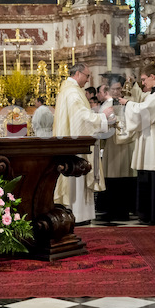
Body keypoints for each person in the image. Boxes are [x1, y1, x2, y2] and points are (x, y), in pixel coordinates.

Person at [53, 63, 115, 224]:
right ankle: (78, 215)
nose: (88, 80)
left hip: (72, 144)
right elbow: (81, 117)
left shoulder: (68, 90)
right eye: (87, 76)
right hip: (76, 147)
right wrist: (102, 116)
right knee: (77, 179)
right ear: (79, 73)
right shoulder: (73, 92)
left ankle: (78, 214)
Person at [118, 64, 155, 225]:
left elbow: (145, 111)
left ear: (152, 77)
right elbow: (143, 103)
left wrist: (127, 104)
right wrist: (132, 88)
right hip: (150, 141)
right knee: (148, 177)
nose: (143, 83)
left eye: (144, 80)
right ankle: (148, 214)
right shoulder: (154, 94)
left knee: (153, 177)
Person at [101, 76, 137, 221]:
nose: (116, 92)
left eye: (118, 88)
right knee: (113, 178)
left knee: (126, 178)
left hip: (127, 145)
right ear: (108, 90)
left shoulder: (128, 103)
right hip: (112, 145)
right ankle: (112, 210)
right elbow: (101, 122)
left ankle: (126, 210)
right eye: (114, 89)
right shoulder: (105, 105)